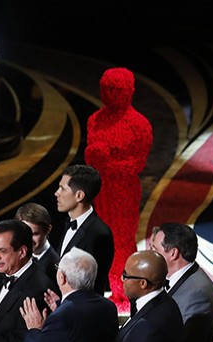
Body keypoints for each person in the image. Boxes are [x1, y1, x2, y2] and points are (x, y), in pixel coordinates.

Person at [85, 67, 153, 313]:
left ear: (129, 91)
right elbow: (90, 158)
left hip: (123, 192)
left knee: (122, 241)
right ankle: (101, 289)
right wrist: (96, 157)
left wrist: (109, 161)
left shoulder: (139, 125)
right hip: (100, 191)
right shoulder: (95, 120)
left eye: (117, 89)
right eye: (107, 89)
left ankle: (124, 292)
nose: (111, 93)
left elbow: (137, 164)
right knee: (99, 238)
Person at [52, 164, 114, 296]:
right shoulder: (66, 224)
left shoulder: (99, 235)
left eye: (62, 189)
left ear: (79, 195)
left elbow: (93, 286)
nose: (56, 193)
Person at [15, 202, 59, 284]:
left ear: (48, 230)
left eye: (34, 234)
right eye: (24, 233)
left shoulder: (54, 268)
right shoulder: (16, 256)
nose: (28, 239)